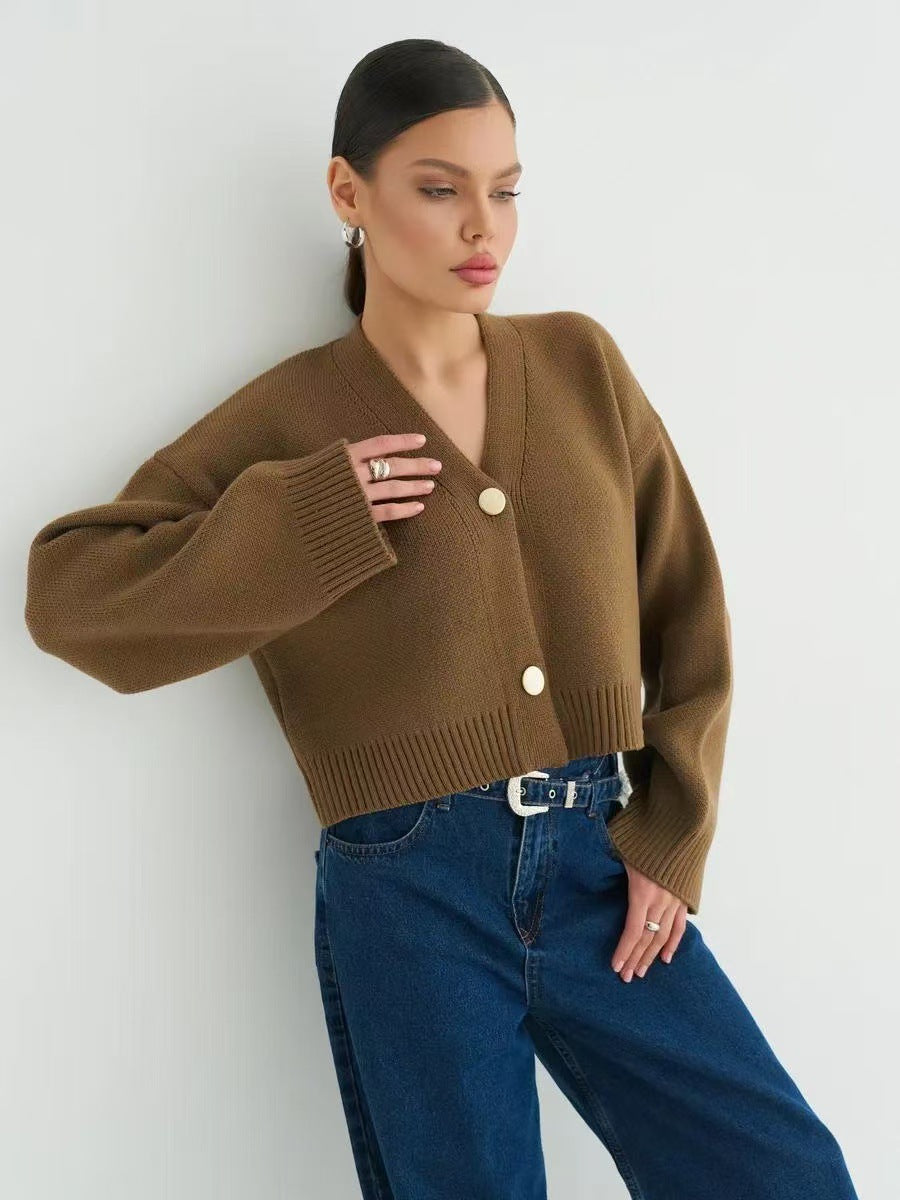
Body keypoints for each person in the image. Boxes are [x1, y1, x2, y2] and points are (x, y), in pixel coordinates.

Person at [24, 37, 859, 1200]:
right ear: (348, 193)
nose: (484, 228)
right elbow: (70, 593)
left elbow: (688, 609)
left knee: (784, 1175)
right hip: (407, 889)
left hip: (601, 863)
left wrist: (670, 833)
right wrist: (309, 521)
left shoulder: (579, 365)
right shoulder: (291, 417)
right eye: (439, 188)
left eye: (505, 191)